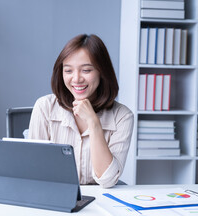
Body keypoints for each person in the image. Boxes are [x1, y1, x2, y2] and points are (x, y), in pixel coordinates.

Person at [28, 34, 133, 188]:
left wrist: (94, 123)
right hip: (54, 194)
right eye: (68, 71)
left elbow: (108, 180)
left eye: (86, 70)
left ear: (102, 72)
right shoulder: (44, 107)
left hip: (100, 200)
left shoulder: (122, 117)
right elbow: (34, 169)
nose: (76, 79)